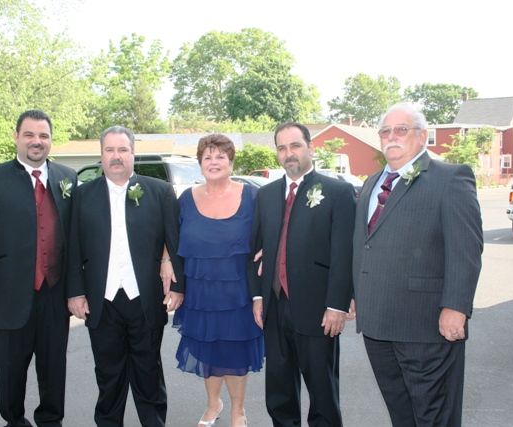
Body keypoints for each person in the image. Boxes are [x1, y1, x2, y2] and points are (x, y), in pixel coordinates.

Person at [352, 103, 483, 427]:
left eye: (401, 129)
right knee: (401, 414)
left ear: (422, 136)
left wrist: (456, 307)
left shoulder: (450, 178)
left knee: (434, 416)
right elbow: (365, 244)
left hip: (426, 327)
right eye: (385, 131)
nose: (391, 137)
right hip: (377, 327)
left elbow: (466, 250)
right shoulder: (370, 183)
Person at [0, 110, 77, 427]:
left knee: (54, 370)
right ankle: (14, 421)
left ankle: (51, 421)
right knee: (10, 373)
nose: (37, 141)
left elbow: (77, 238)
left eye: (43, 135)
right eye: (29, 135)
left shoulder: (68, 178)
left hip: (54, 295)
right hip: (8, 295)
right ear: (16, 137)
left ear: (50, 140)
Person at [66, 125, 185, 427]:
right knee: (108, 377)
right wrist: (75, 292)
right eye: (109, 150)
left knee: (149, 374)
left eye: (122, 149)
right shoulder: (82, 195)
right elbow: (73, 247)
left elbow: (174, 241)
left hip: (145, 298)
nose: (116, 156)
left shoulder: (159, 191)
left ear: (133, 153)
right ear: (101, 154)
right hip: (101, 301)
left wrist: (177, 286)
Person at [247, 122, 356, 426]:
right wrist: (257, 296)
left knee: (322, 392)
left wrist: (337, 305)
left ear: (310, 147)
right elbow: (254, 250)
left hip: (318, 308)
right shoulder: (266, 195)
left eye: (295, 145)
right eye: (282, 148)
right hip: (274, 305)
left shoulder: (337, 192)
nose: (288, 153)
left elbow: (344, 253)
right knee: (279, 392)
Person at [167, 134, 264, 427]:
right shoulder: (186, 198)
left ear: (231, 162)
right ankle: (213, 405)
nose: (214, 162)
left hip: (239, 290)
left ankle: (238, 411)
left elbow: (270, 232)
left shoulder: (253, 196)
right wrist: (165, 261)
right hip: (200, 289)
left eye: (220, 156)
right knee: (207, 346)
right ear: (200, 163)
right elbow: (169, 235)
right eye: (207, 157)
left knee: (235, 349)